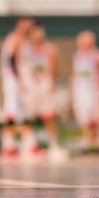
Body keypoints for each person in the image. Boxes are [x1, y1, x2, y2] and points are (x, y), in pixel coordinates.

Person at [20, 24, 67, 161]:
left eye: (41, 33)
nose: (39, 36)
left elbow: (56, 66)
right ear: (31, 34)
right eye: (36, 33)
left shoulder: (51, 49)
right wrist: (23, 84)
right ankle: (30, 146)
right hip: (31, 86)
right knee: (28, 117)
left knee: (49, 116)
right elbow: (22, 68)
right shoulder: (25, 49)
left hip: (45, 84)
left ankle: (54, 146)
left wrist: (53, 81)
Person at [0, 17, 38, 160]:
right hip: (14, 81)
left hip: (19, 81)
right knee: (13, 113)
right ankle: (12, 147)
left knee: (19, 113)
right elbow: (11, 60)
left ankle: (16, 146)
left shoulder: (24, 41)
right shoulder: (15, 38)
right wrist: (18, 79)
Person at [71, 31, 99, 154]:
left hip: (94, 89)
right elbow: (75, 72)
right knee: (84, 116)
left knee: (95, 116)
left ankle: (96, 141)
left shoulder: (98, 55)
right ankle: (86, 140)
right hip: (81, 89)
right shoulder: (77, 55)